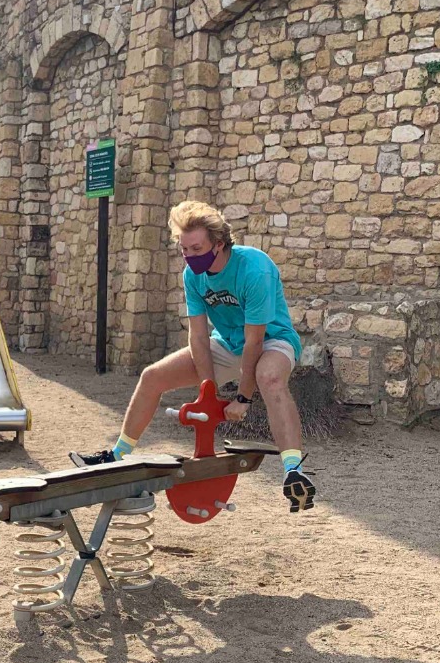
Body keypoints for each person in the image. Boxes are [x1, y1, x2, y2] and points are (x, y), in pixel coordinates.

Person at [74, 200, 316, 513]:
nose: (190, 256)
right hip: (227, 343)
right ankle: (117, 455)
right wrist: (208, 393)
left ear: (219, 244)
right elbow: (199, 337)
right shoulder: (193, 275)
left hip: (272, 341)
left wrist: (242, 399)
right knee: (152, 377)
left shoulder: (255, 269)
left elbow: (255, 342)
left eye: (197, 249)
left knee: (268, 377)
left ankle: (293, 470)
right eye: (184, 249)